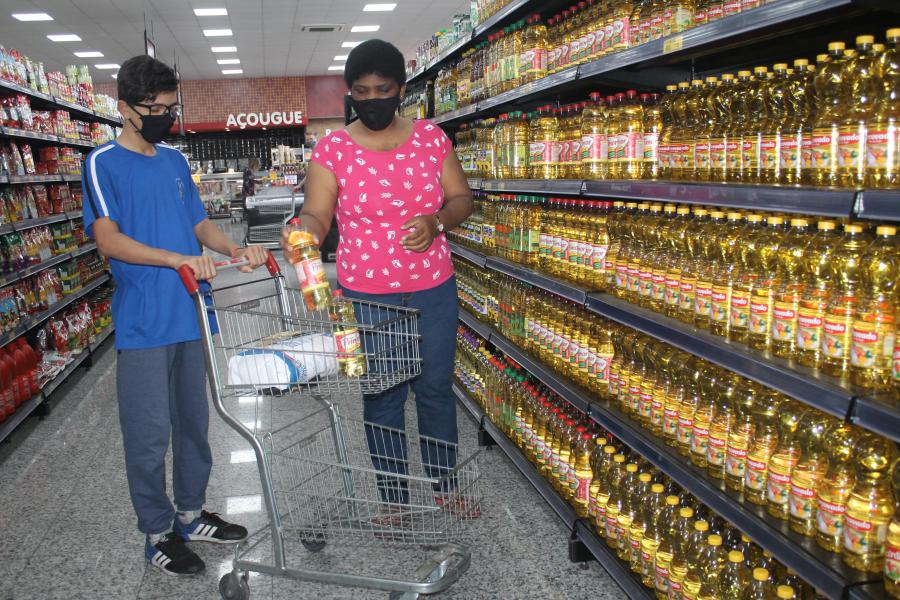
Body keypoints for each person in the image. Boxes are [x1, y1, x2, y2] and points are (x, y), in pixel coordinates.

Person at [82, 55, 269, 577]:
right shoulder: (102, 163)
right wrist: (174, 259)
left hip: (191, 313)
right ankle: (157, 532)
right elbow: (108, 239)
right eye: (156, 109)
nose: (166, 118)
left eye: (171, 108)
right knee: (147, 435)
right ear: (125, 108)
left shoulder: (174, 161)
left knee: (193, 425)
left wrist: (234, 249)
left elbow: (198, 223)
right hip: (144, 320)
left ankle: (190, 514)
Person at [283, 39, 475, 511]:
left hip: (433, 288)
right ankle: (393, 499)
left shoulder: (431, 138)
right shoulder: (332, 149)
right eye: (362, 92)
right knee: (381, 394)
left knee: (434, 389)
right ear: (350, 93)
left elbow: (461, 199)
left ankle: (445, 487)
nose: (372, 100)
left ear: (401, 90)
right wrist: (303, 233)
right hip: (366, 296)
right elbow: (317, 214)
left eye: (383, 90)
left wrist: (437, 222)